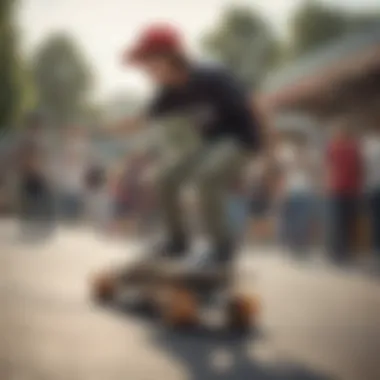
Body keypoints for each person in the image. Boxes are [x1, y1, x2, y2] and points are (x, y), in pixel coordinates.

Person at [121, 24, 262, 269]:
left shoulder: (211, 75)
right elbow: (139, 121)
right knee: (164, 178)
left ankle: (221, 248)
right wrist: (93, 129)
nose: (147, 72)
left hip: (241, 141)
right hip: (209, 148)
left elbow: (253, 105)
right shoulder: (168, 93)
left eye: (151, 64)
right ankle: (178, 242)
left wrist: (268, 154)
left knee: (206, 178)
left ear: (170, 58)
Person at [325, 120, 363, 263]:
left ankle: (342, 252)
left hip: (346, 189)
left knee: (344, 222)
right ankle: (338, 252)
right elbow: (328, 167)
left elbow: (358, 168)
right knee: (340, 222)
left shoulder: (347, 147)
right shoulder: (337, 147)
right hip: (340, 189)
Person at [363, 127, 380, 262]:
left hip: (372, 187)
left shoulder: (369, 145)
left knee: (375, 220)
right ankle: (375, 251)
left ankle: (375, 251)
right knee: (375, 220)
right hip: (373, 188)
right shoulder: (369, 145)